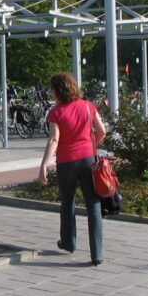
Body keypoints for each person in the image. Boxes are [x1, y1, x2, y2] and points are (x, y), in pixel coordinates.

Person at [36, 72, 108, 266]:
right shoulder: (88, 106)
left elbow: (54, 139)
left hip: (66, 162)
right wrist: (91, 145)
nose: (51, 92)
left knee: (67, 202)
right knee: (93, 206)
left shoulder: (56, 112)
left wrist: (44, 164)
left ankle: (68, 242)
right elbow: (102, 131)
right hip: (88, 160)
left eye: (52, 88)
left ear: (58, 90)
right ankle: (97, 254)